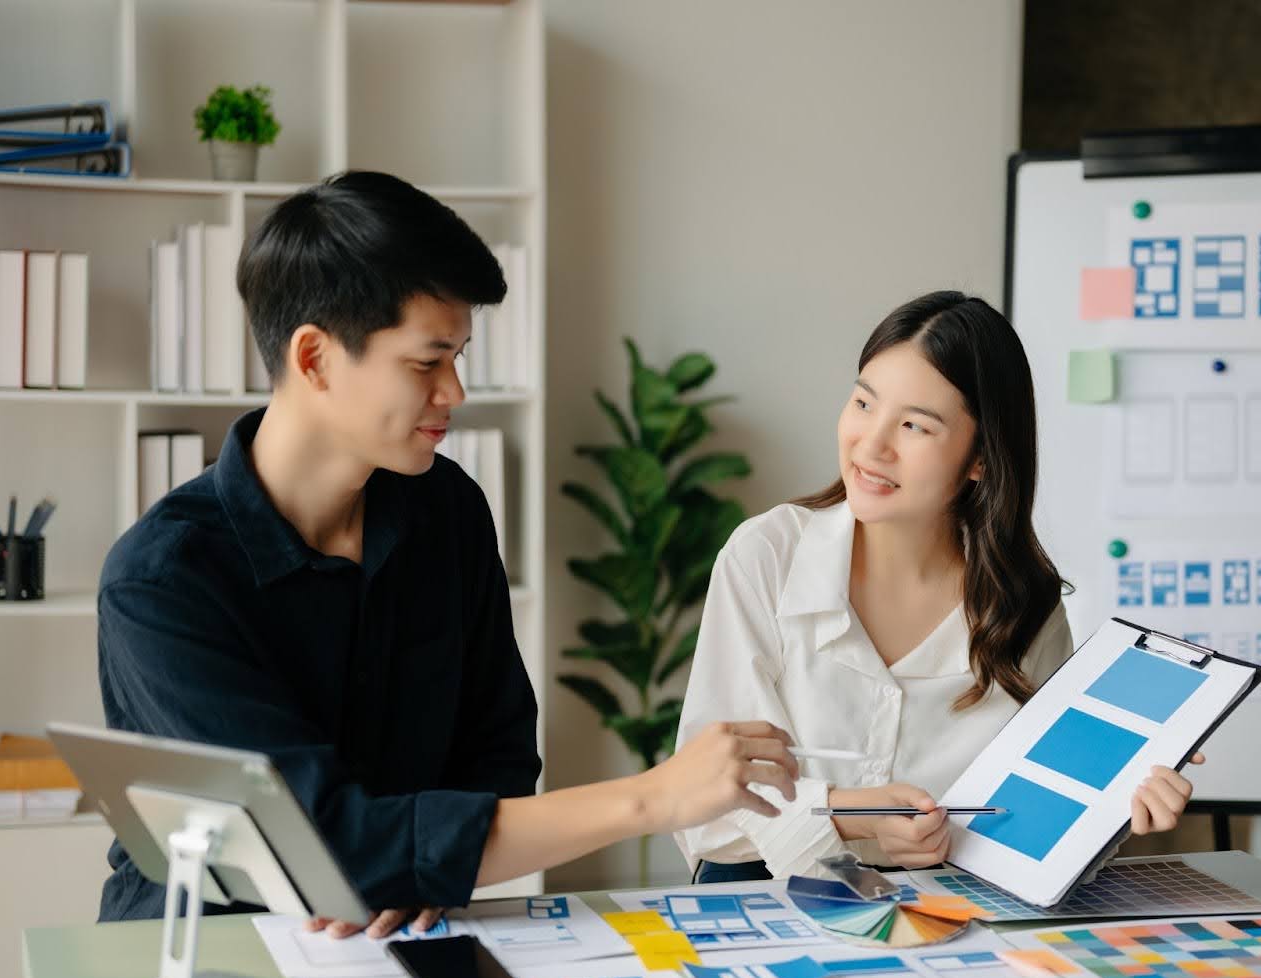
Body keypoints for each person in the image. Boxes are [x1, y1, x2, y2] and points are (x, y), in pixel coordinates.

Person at [96, 171, 796, 936]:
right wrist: (654, 797)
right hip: (211, 951)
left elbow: (497, 747)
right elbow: (317, 844)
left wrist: (413, 869)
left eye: (458, 357)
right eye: (427, 362)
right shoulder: (161, 580)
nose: (455, 392)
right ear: (314, 359)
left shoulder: (448, 509)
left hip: (412, 934)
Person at [675, 290, 1202, 882]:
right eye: (863, 403)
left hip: (950, 914)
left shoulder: (1025, 603)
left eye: (914, 426)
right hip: (768, 899)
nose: (871, 446)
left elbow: (1031, 825)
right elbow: (706, 811)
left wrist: (1110, 809)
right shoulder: (768, 556)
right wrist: (859, 818)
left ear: (980, 459)